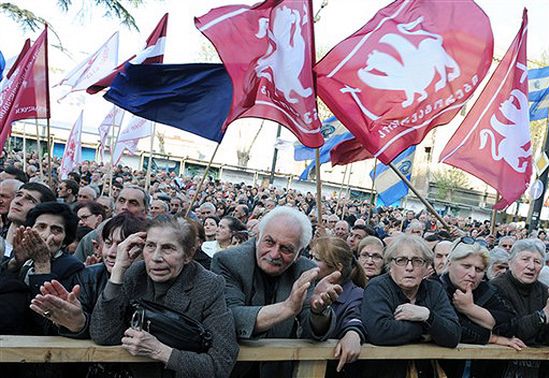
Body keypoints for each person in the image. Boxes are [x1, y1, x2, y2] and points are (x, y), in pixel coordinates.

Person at [90, 217, 239, 377]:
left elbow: (220, 364)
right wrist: (118, 270)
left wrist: (161, 351)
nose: (156, 257)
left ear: (188, 254)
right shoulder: (134, 273)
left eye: (167, 248)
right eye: (150, 246)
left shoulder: (208, 286)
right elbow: (103, 335)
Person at [212, 206, 342, 378]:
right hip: (230, 370)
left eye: (286, 249)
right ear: (258, 237)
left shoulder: (305, 270)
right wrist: (287, 308)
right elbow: (229, 317)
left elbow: (311, 331)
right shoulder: (228, 261)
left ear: (298, 254)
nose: (274, 254)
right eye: (269, 242)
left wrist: (318, 312)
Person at [29, 213, 147, 339]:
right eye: (108, 243)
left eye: (123, 246)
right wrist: (76, 323)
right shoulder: (87, 277)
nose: (112, 253)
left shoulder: (153, 278)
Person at [361, 234, 461, 378]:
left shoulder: (434, 290)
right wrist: (425, 329)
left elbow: (453, 335)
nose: (409, 267)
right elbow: (379, 332)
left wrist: (427, 315)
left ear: (427, 266)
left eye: (417, 261)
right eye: (401, 260)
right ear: (390, 266)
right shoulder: (377, 287)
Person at [438, 238, 522, 378]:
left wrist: (470, 309)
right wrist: (494, 338)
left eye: (479, 269)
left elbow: (511, 323)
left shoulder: (487, 289)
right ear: (450, 263)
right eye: (466, 266)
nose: (472, 274)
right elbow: (450, 327)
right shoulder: (434, 287)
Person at [491, 239, 549, 377]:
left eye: (537, 262)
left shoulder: (544, 291)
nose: (531, 266)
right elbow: (509, 330)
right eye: (525, 259)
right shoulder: (495, 287)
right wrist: (543, 315)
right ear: (510, 262)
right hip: (500, 369)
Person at [311, 237, 367, 377]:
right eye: (310, 256)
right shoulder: (307, 286)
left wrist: (353, 333)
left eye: (316, 258)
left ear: (338, 267)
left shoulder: (357, 295)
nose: (310, 262)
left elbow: (355, 317)